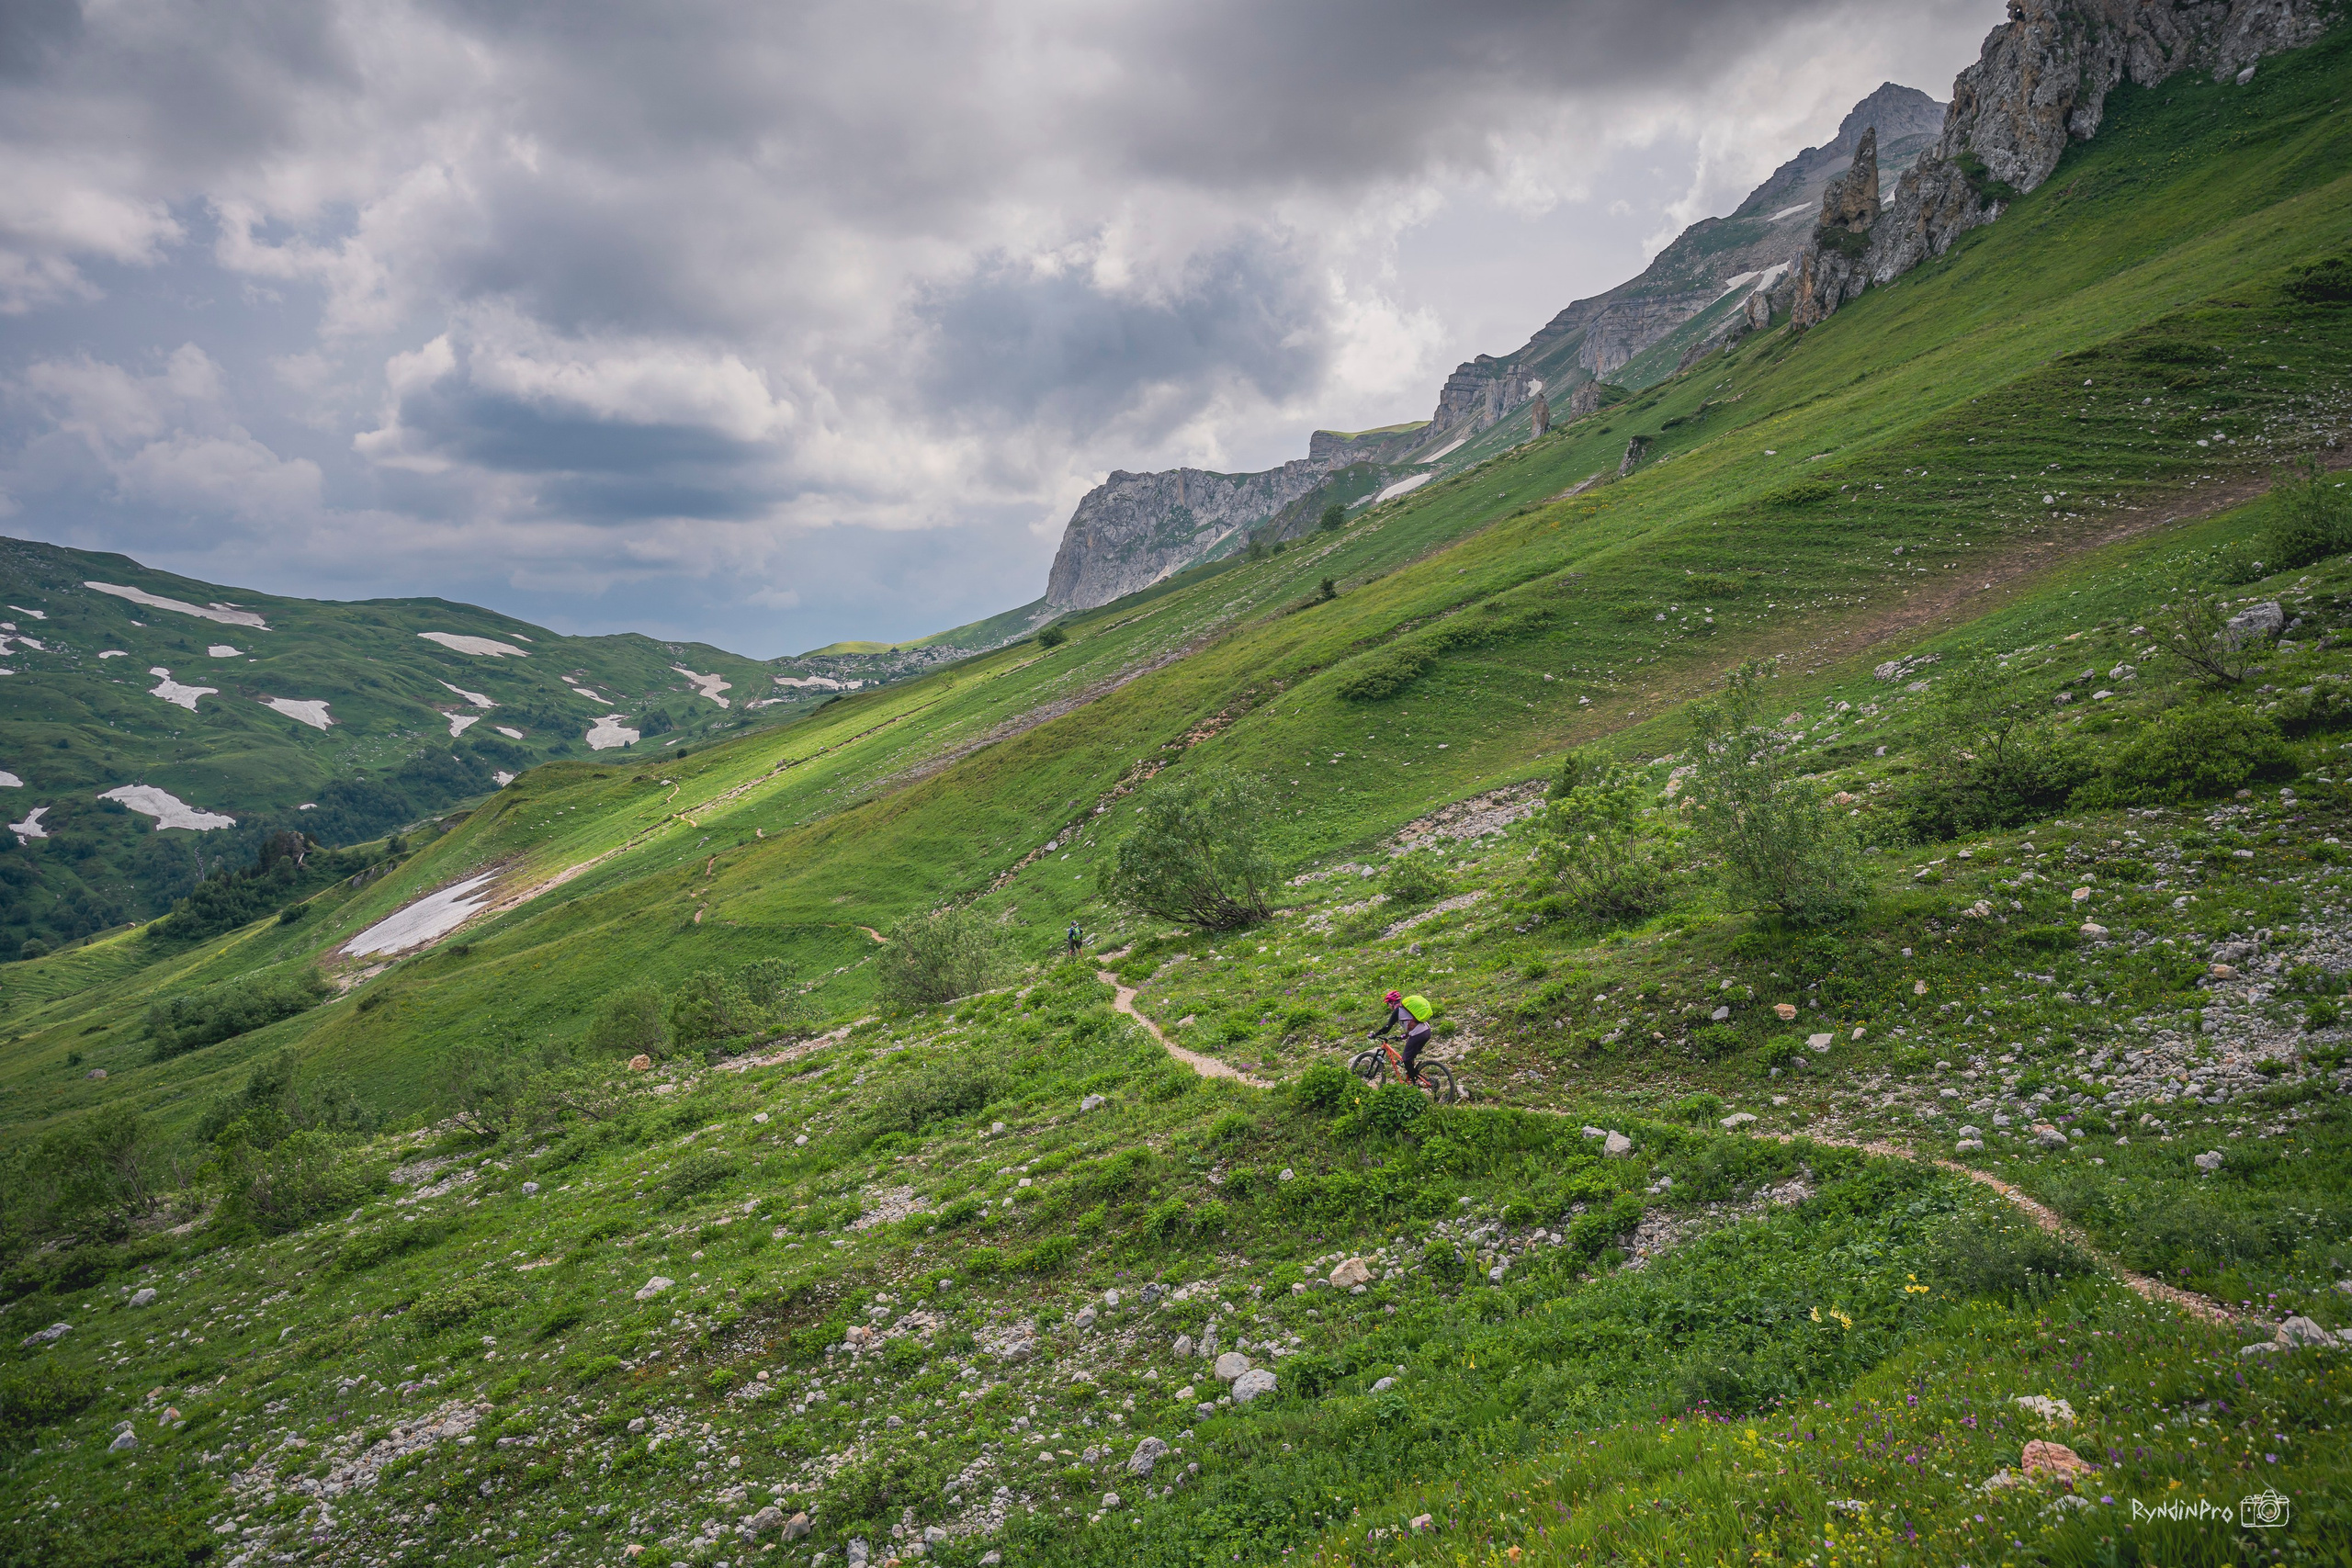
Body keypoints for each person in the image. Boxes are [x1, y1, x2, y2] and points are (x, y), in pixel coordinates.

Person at [1368, 989, 1434, 1084]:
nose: (1388, 1006)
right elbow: (1413, 1023)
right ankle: (1412, 1075)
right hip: (1426, 1032)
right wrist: (1404, 1036)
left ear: (1391, 1003)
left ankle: (1413, 1082)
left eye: (1388, 1004)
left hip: (1418, 1035)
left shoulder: (1398, 1010)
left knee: (1406, 1058)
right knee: (1409, 1057)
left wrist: (1375, 1034)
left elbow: (1387, 1027)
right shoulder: (1407, 1009)